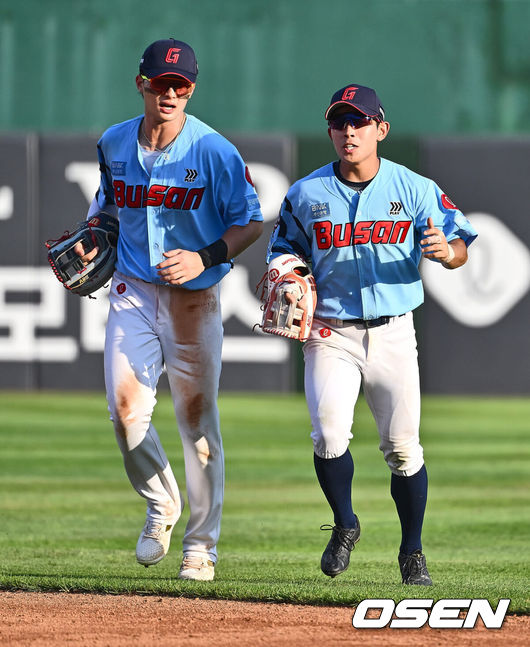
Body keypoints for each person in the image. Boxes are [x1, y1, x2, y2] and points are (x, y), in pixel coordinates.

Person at [266, 83, 477, 585]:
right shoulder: (307, 192)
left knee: (403, 449)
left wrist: (447, 253)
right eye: (340, 122)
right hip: (330, 331)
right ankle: (345, 523)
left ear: (380, 128)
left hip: (393, 333)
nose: (349, 131)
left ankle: (412, 551)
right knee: (329, 434)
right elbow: (282, 249)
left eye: (359, 122)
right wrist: (287, 271)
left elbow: (461, 241)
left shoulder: (415, 188)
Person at [78, 38, 263, 581]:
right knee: (124, 412)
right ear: (142, 84)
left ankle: (201, 547)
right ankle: (162, 503)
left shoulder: (213, 151)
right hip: (132, 290)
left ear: (192, 90)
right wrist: (96, 234)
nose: (171, 92)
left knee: (197, 422)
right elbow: (109, 204)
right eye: (161, 82)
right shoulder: (114, 142)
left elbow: (250, 221)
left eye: (181, 84)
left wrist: (205, 255)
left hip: (194, 299)